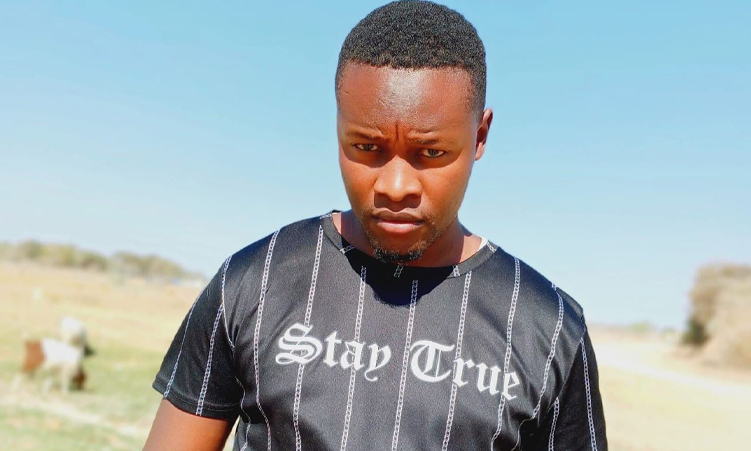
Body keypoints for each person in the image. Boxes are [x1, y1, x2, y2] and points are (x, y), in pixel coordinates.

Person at [143, 1, 608, 450]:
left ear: (479, 136)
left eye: (431, 152)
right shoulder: (254, 282)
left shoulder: (547, 329)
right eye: (367, 148)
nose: (395, 186)